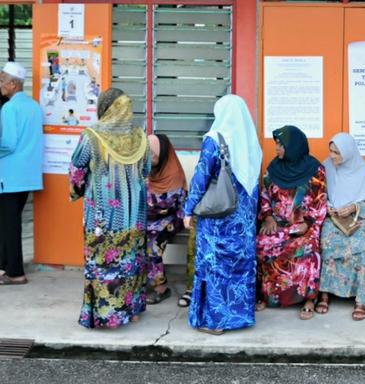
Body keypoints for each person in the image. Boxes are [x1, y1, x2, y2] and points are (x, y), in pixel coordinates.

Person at [68, 88, 151, 329]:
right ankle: (132, 311)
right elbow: (147, 170)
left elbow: (77, 171)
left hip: (102, 216)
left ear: (104, 108)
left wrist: (78, 191)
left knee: (102, 262)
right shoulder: (140, 136)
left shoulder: (91, 136)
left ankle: (105, 314)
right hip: (134, 215)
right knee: (132, 260)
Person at [182, 94, 262, 334]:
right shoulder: (250, 142)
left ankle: (216, 321)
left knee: (215, 265)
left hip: (219, 216)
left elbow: (201, 177)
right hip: (244, 218)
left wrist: (189, 209)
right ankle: (240, 318)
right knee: (239, 266)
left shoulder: (214, 140)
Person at [257, 125, 327, 320]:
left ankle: (309, 299)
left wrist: (308, 222)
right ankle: (268, 295)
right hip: (278, 224)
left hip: (305, 224)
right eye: (277, 145)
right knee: (262, 243)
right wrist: (268, 216)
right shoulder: (273, 168)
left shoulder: (315, 169)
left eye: (281, 145)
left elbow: (320, 199)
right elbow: (265, 195)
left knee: (307, 247)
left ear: (294, 146)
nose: (277, 149)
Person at [0, 62, 44, 286]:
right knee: (9, 220)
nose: (0, 86)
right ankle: (2, 264)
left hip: (9, 175)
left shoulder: (9, 108)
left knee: (8, 224)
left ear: (13, 84)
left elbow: (8, 144)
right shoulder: (34, 106)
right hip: (27, 174)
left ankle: (15, 272)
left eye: (2, 81)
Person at [317, 132, 365, 321]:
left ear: (348, 153)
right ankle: (324, 294)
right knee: (327, 241)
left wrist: (353, 207)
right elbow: (318, 194)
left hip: (357, 218)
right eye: (331, 151)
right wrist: (328, 207)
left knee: (361, 245)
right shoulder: (326, 166)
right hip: (333, 218)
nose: (332, 156)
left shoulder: (362, 169)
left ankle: (361, 300)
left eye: (337, 152)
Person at [145, 133, 187, 305]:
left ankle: (161, 288)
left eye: (153, 155)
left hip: (173, 216)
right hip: (152, 215)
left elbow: (166, 206)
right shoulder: (150, 170)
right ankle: (141, 281)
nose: (149, 159)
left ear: (162, 154)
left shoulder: (173, 173)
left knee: (153, 243)